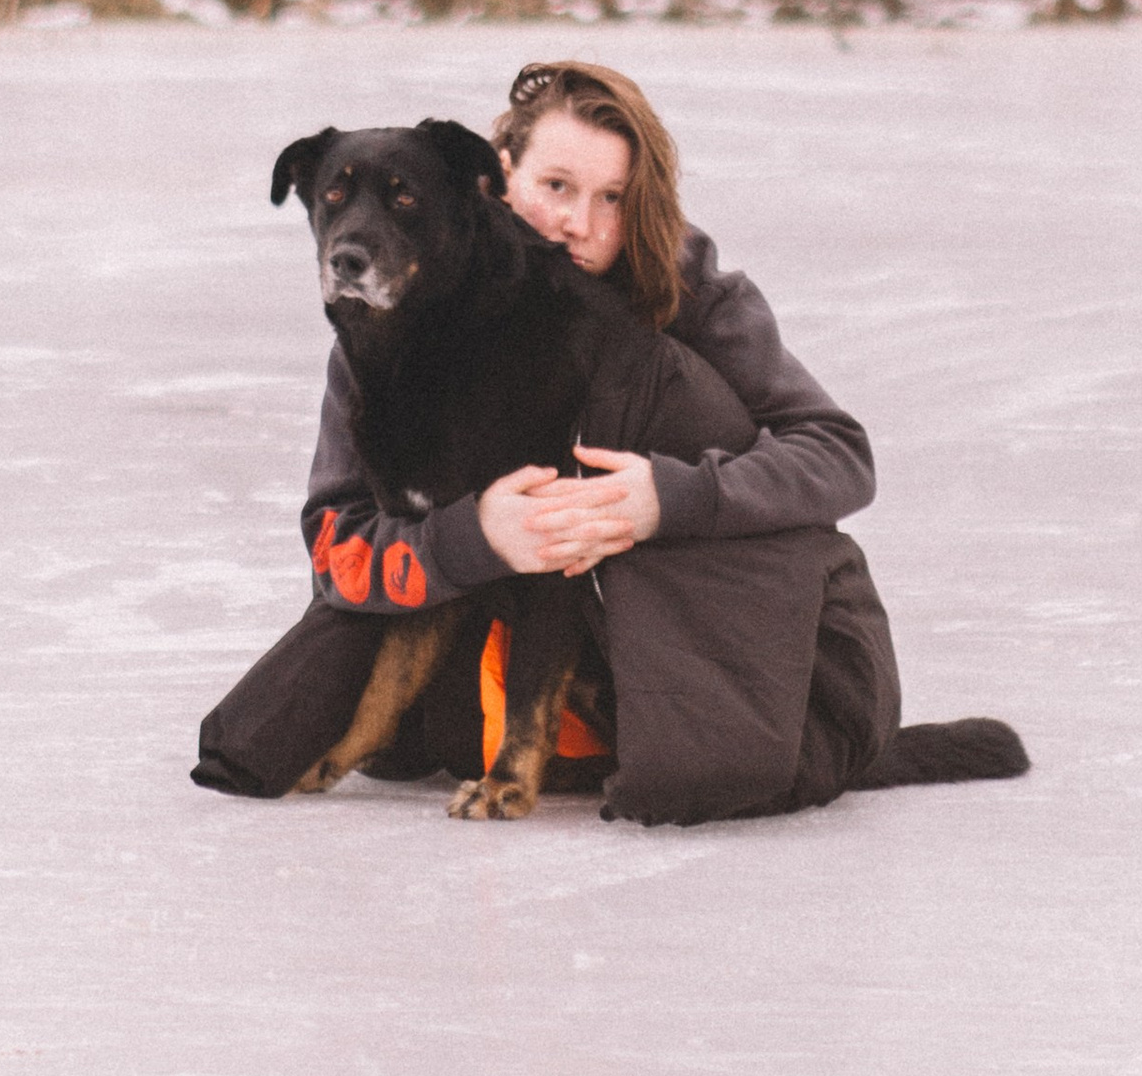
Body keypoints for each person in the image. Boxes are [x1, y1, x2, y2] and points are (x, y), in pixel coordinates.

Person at [193, 57, 1027, 817]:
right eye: (556, 185)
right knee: (361, 698)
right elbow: (338, 548)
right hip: (564, 638)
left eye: (613, 198)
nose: (577, 225)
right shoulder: (390, 332)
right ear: (497, 178)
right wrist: (472, 537)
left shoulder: (694, 296)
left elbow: (839, 453)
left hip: (753, 651)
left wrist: (666, 497)